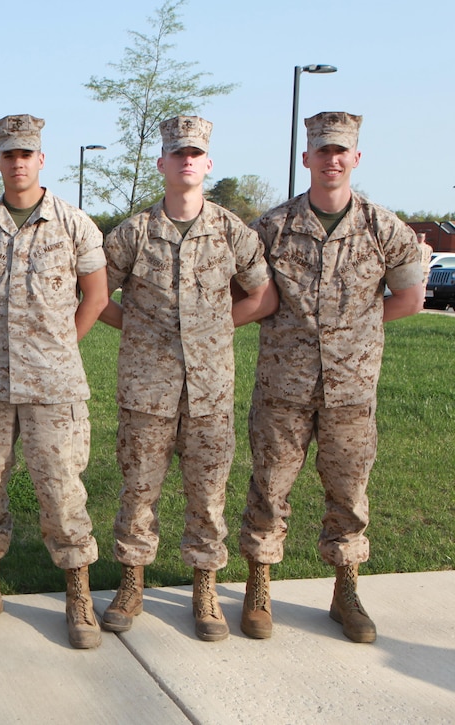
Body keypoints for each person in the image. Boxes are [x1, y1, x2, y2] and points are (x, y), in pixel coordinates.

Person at [239, 112, 424, 643]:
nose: (332, 159)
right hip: (283, 387)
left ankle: (345, 591)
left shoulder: (385, 228)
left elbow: (409, 299)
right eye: (323, 151)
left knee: (348, 492)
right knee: (269, 486)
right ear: (307, 158)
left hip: (351, 388)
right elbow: (247, 294)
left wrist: (351, 332)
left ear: (356, 158)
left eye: (341, 151)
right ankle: (259, 587)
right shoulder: (271, 229)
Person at [97, 116, 277, 642]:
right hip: (146, 388)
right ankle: (132, 584)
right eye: (178, 153)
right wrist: (135, 326)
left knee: (208, 495)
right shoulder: (134, 232)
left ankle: (205, 590)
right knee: (138, 491)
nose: (187, 161)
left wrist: (218, 326)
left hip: (209, 390)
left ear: (209, 164)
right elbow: (98, 294)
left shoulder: (231, 231)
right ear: (162, 163)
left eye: (196, 153)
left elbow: (262, 295)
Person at [0, 114, 109, 649]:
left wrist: (61, 347)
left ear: (41, 159)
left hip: (54, 386)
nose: (17, 164)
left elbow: (97, 296)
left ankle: (78, 596)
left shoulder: (74, 224)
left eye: (26, 155)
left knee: (62, 491)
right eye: (8, 155)